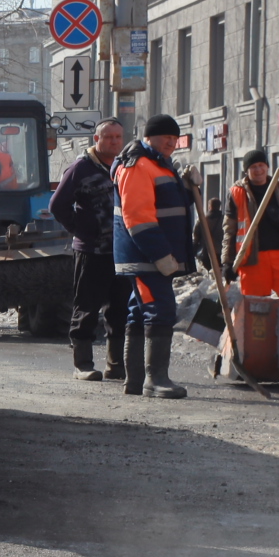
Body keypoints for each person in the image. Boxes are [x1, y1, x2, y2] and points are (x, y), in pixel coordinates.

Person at [114, 114, 197, 400]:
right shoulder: (138, 165)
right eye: (166, 138)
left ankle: (136, 380)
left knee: (140, 312)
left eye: (175, 139)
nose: (172, 143)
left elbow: (168, 207)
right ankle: (155, 379)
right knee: (159, 311)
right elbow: (137, 217)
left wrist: (186, 189)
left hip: (150, 256)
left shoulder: (159, 165)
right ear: (149, 137)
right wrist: (161, 255)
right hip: (146, 256)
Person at [48, 117, 128, 381]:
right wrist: (82, 230)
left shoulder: (124, 167)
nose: (114, 141)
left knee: (119, 309)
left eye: (118, 137)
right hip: (91, 251)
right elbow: (57, 206)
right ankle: (82, 364)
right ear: (97, 139)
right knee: (87, 307)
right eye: (108, 137)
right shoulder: (80, 168)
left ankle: (116, 364)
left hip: (121, 251)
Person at [223, 148, 279, 298]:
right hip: (252, 258)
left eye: (261, 165)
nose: (258, 170)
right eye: (253, 167)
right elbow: (229, 230)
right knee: (253, 305)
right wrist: (227, 262)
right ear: (246, 171)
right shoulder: (237, 193)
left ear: (267, 166)